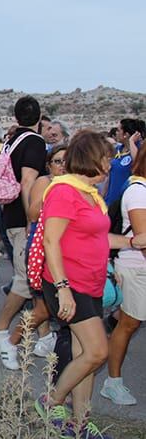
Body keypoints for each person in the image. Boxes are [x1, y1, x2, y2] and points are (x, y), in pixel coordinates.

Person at [36, 130, 146, 434]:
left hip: (91, 282)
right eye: (105, 159)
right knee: (98, 352)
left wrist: (131, 242)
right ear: (89, 159)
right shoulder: (63, 191)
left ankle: (79, 423)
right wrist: (63, 289)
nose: (110, 165)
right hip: (68, 283)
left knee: (87, 357)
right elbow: (50, 241)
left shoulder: (90, 193)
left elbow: (99, 237)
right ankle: (51, 400)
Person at [0, 95, 48, 355]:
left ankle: (44, 337)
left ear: (16, 117)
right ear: (40, 118)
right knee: (25, 279)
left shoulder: (10, 141)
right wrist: (32, 219)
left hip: (10, 215)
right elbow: (28, 181)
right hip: (23, 220)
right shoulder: (34, 142)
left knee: (34, 278)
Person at [0, 145, 69, 370]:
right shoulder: (44, 182)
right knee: (44, 308)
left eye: (66, 161)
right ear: (49, 165)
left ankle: (47, 343)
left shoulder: (74, 183)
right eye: (57, 161)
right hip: (42, 250)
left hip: (65, 250)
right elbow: (32, 213)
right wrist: (55, 189)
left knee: (47, 307)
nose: (62, 165)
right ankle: (10, 343)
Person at [102, 149, 146, 406]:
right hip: (135, 266)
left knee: (128, 322)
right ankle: (113, 382)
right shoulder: (138, 191)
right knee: (129, 324)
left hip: (136, 266)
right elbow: (142, 239)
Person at [103, 118, 143, 206]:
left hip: (127, 201)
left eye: (118, 130)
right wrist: (103, 195)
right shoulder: (118, 149)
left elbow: (138, 163)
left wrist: (131, 142)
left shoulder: (139, 149)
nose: (116, 133)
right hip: (110, 200)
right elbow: (109, 176)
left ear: (126, 134)